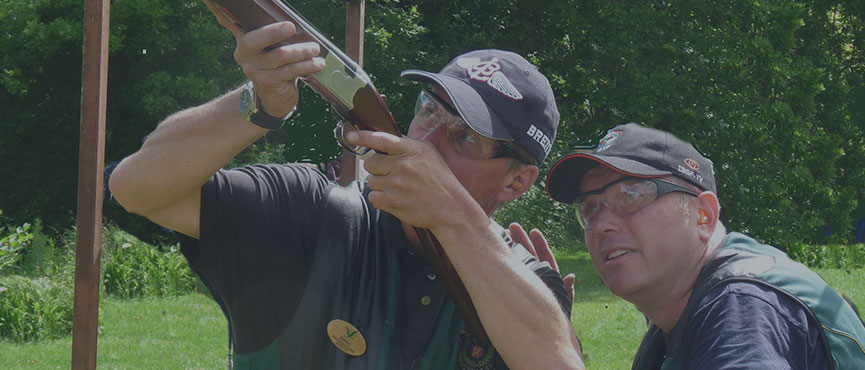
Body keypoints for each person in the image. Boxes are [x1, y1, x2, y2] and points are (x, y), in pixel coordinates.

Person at [108, 2, 583, 369]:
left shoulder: (525, 281)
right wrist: (262, 102)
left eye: (465, 137)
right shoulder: (311, 209)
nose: (427, 141)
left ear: (517, 182)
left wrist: (453, 217)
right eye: (429, 111)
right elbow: (136, 188)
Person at [544, 122, 865, 369]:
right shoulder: (678, 318)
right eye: (589, 207)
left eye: (629, 195)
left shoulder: (744, 306)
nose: (601, 224)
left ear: (704, 216)